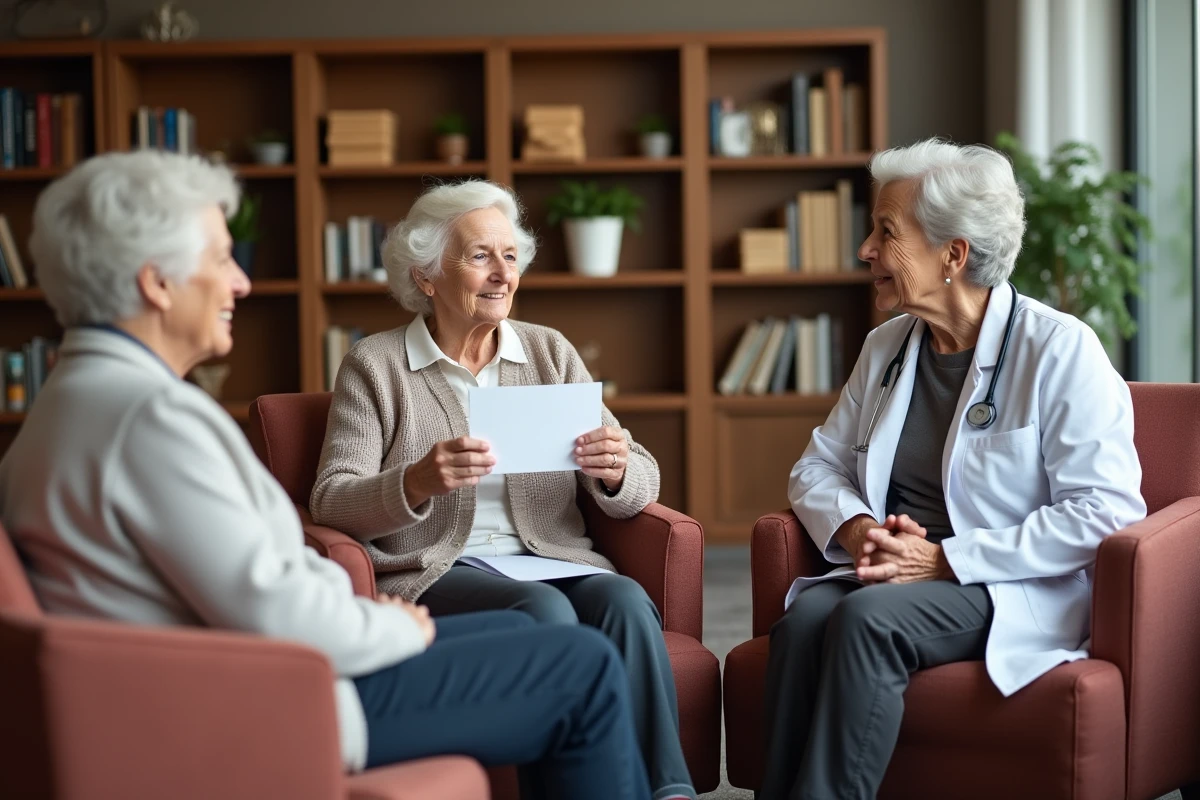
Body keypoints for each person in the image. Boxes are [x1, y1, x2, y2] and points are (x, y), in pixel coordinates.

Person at [0, 151, 651, 800]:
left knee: (525, 629)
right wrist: (395, 625)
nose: (240, 282)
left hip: (221, 677)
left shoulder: (72, 401)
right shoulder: (152, 418)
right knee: (580, 664)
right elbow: (274, 605)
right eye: (222, 258)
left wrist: (619, 467)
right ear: (157, 283)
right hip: (267, 698)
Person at [761, 137, 1147, 800]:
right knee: (802, 626)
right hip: (894, 567)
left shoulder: (1060, 350)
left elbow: (1104, 513)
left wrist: (943, 560)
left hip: (1004, 580)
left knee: (864, 622)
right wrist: (857, 532)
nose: (866, 252)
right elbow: (815, 466)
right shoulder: (887, 347)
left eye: (885, 232)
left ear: (953, 254)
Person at [309, 179, 694, 800]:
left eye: (510, 256)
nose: (501, 274)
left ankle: (667, 790)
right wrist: (416, 480)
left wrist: (615, 467)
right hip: (439, 567)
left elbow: (641, 475)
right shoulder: (374, 365)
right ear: (427, 276)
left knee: (623, 600)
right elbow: (332, 498)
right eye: (479, 256)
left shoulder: (548, 352)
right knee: (544, 616)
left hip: (549, 558)